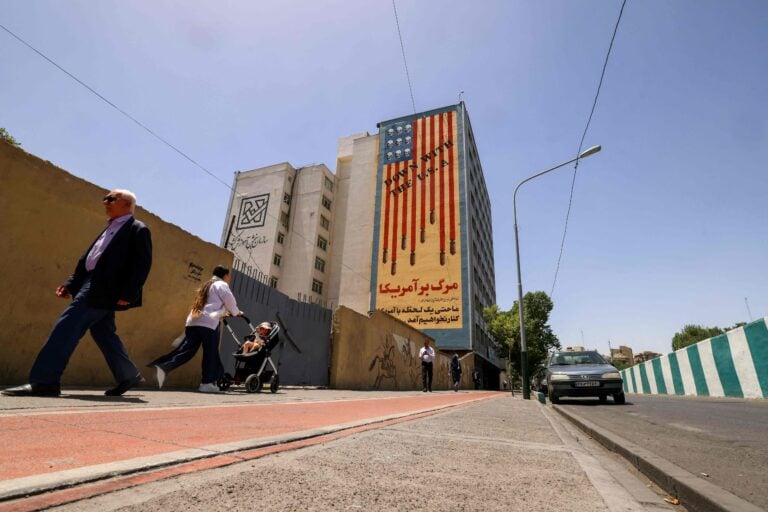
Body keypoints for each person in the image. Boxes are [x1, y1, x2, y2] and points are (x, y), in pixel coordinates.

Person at [2, 189, 152, 397]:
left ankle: (45, 381)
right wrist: (71, 284)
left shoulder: (137, 229)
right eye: (105, 198)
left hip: (104, 288)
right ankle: (128, 375)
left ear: (127, 204)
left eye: (111, 199)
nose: (105, 202)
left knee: (66, 327)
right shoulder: (110, 228)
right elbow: (90, 260)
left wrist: (129, 293)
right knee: (104, 332)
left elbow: (142, 265)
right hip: (91, 283)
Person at [147, 266, 243, 393]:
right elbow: (229, 301)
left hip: (193, 321)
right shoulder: (221, 285)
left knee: (186, 350)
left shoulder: (206, 285)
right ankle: (207, 383)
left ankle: (163, 365)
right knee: (211, 353)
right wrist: (236, 312)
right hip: (208, 324)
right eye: (228, 275)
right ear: (225, 275)